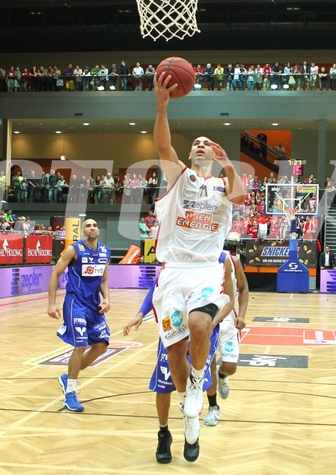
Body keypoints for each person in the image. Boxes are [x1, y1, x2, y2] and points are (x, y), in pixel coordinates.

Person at [152, 69, 245, 459]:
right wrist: (161, 107)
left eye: (208, 142)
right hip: (173, 272)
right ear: (190, 155)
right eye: (197, 143)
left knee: (200, 324)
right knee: (174, 352)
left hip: (206, 269)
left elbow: (240, 198)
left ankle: (196, 383)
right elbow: (161, 146)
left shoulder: (224, 186)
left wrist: (230, 166)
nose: (202, 145)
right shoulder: (180, 176)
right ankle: (187, 418)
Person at [123, 252, 236, 463]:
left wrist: (211, 322)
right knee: (164, 386)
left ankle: (192, 432)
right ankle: (163, 433)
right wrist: (140, 314)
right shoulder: (175, 253)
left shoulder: (222, 259)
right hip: (174, 325)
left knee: (199, 381)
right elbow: (158, 287)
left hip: (202, 326)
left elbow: (230, 299)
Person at [47, 218, 111, 412]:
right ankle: (70, 393)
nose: (92, 227)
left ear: (98, 229)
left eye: (94, 225)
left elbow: (104, 280)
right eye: (88, 226)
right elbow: (55, 274)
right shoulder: (74, 249)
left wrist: (106, 298)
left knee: (101, 346)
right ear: (83, 231)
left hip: (94, 306)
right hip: (75, 303)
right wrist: (51, 303)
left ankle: (68, 377)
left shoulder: (105, 251)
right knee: (81, 344)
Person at [204, 252, 249, 427]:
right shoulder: (199, 259)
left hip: (228, 322)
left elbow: (244, 288)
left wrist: (242, 315)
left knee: (230, 367)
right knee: (209, 363)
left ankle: (222, 375)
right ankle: (213, 407)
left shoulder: (232, 260)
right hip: (206, 320)